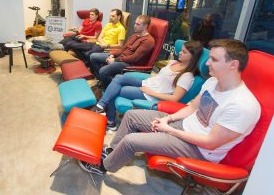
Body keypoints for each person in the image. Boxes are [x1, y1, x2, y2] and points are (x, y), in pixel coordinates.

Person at [79, 39, 261, 176]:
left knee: (132, 140)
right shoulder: (213, 82)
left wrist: (168, 130)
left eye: (213, 59)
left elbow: (210, 143)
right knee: (132, 116)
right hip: (183, 126)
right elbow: (191, 107)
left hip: (199, 149)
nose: (207, 63)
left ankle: (103, 167)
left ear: (233, 65)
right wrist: (169, 119)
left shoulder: (242, 105)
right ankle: (113, 151)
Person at [94, 40, 203, 130]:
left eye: (184, 52)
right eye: (181, 50)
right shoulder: (174, 62)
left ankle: (110, 121)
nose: (180, 53)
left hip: (151, 95)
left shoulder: (187, 76)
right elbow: (160, 77)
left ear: (192, 57)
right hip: (147, 84)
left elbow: (175, 98)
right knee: (118, 78)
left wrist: (150, 92)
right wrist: (148, 82)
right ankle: (102, 105)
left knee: (117, 90)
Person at [89, 15, 154, 89]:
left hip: (130, 63)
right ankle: (103, 80)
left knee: (103, 70)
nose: (134, 26)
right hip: (121, 58)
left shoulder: (148, 41)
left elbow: (134, 58)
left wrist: (115, 60)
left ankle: (111, 87)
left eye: (138, 24)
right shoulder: (135, 35)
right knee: (93, 56)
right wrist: (112, 54)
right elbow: (123, 49)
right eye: (135, 23)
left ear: (145, 26)